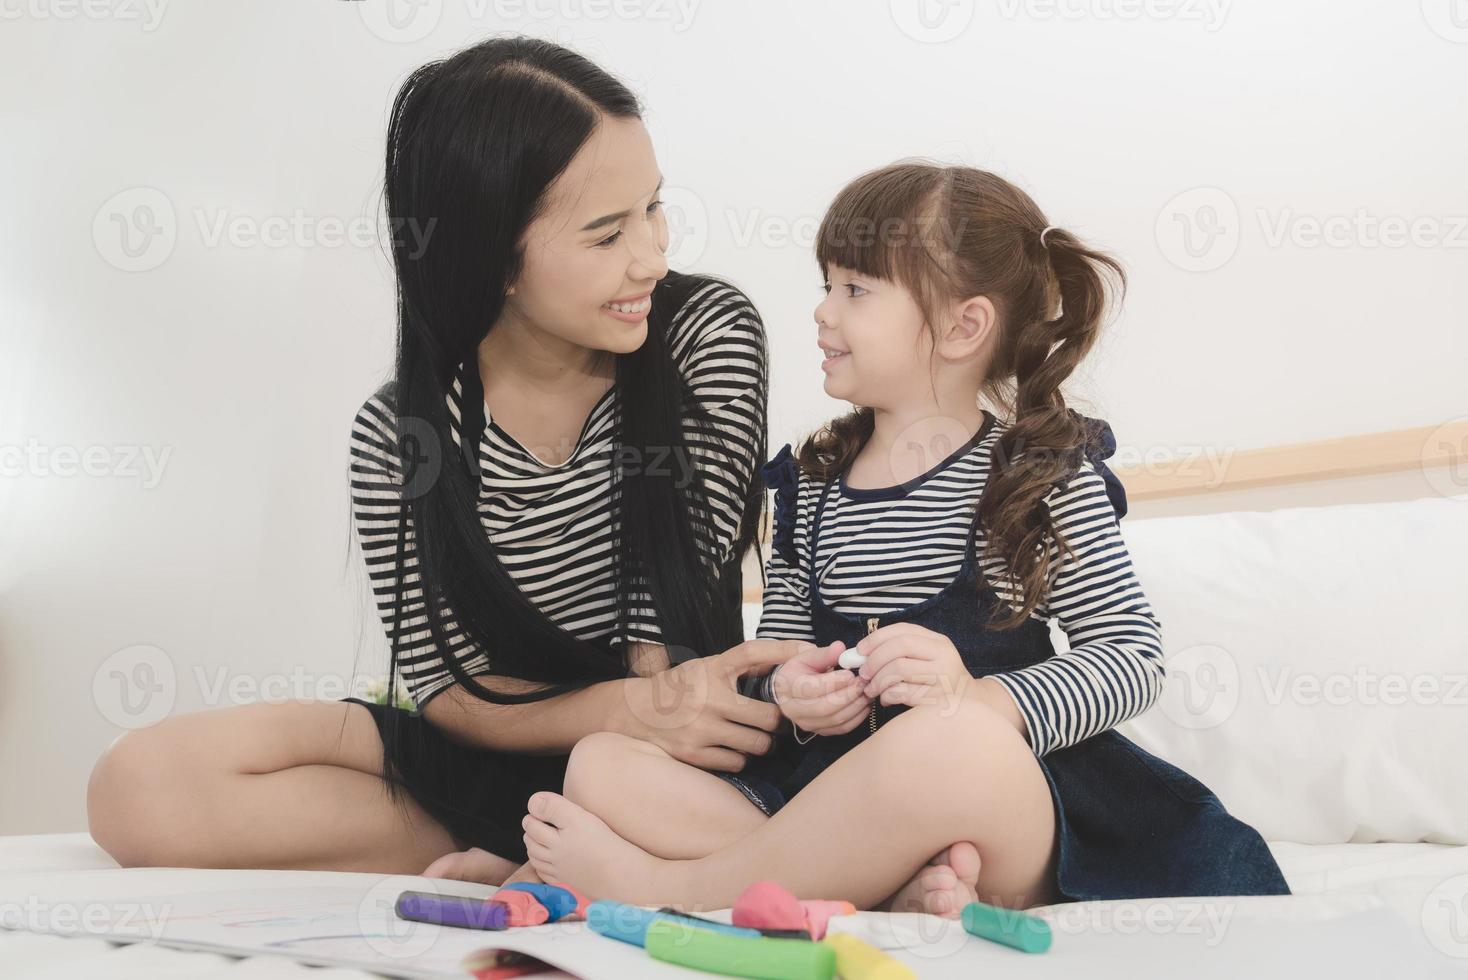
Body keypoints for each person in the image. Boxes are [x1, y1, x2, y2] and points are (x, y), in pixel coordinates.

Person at [509, 162, 1293, 914]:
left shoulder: (1037, 475)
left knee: (944, 742)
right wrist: (793, 693)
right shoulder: (812, 487)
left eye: (855, 290)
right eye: (826, 286)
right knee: (600, 765)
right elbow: (778, 652)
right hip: (831, 794)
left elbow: (1129, 656)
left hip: (995, 802)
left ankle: (667, 888)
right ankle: (882, 890)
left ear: (962, 326)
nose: (823, 311)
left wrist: (983, 699)